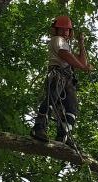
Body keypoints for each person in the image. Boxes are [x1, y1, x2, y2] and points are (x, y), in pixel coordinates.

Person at [31, 16, 92, 145]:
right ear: (56, 30)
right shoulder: (57, 40)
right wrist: (83, 67)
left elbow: (81, 62)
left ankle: (64, 135)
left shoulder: (66, 45)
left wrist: (81, 44)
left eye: (67, 30)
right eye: (62, 29)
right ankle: (39, 128)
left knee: (72, 107)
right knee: (51, 99)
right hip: (57, 75)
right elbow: (65, 55)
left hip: (67, 80)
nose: (65, 32)